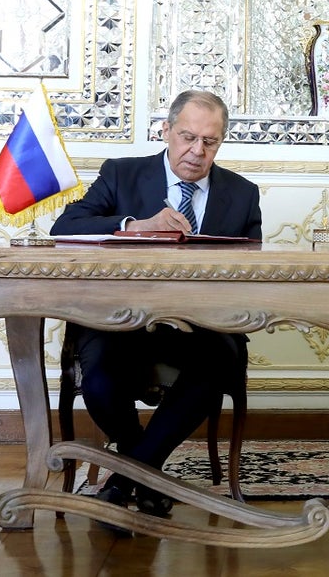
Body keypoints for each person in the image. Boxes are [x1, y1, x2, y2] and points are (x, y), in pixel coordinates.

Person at [50, 89, 261, 524]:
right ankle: (145, 473)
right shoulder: (123, 175)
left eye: (210, 142)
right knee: (101, 373)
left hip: (201, 327)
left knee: (220, 360)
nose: (196, 151)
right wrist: (136, 226)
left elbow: (252, 270)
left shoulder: (242, 194)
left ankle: (124, 481)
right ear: (165, 131)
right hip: (119, 320)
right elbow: (65, 226)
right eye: (187, 137)